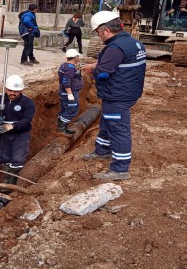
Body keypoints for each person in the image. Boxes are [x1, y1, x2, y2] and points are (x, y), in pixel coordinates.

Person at [81, 11, 146, 181]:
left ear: (107, 31)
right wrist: (98, 64)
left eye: (98, 32)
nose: (98, 36)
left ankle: (120, 168)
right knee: (107, 121)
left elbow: (103, 74)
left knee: (118, 129)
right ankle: (103, 150)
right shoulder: (132, 42)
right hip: (128, 92)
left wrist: (95, 69)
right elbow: (122, 63)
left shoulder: (114, 48)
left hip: (117, 95)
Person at [0, 75, 36, 192]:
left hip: (20, 134)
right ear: (5, 89)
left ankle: (12, 182)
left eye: (16, 91)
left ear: (21, 90)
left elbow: (26, 120)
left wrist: (11, 126)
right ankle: (6, 179)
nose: (13, 93)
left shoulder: (27, 103)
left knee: (18, 157)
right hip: (3, 134)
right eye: (10, 90)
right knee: (4, 157)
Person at [57, 49, 83, 135]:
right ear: (75, 57)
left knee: (65, 109)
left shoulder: (64, 65)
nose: (78, 58)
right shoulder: (70, 68)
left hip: (64, 92)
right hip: (69, 92)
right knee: (72, 109)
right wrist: (69, 93)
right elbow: (66, 81)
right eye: (78, 56)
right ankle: (61, 129)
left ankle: (63, 128)